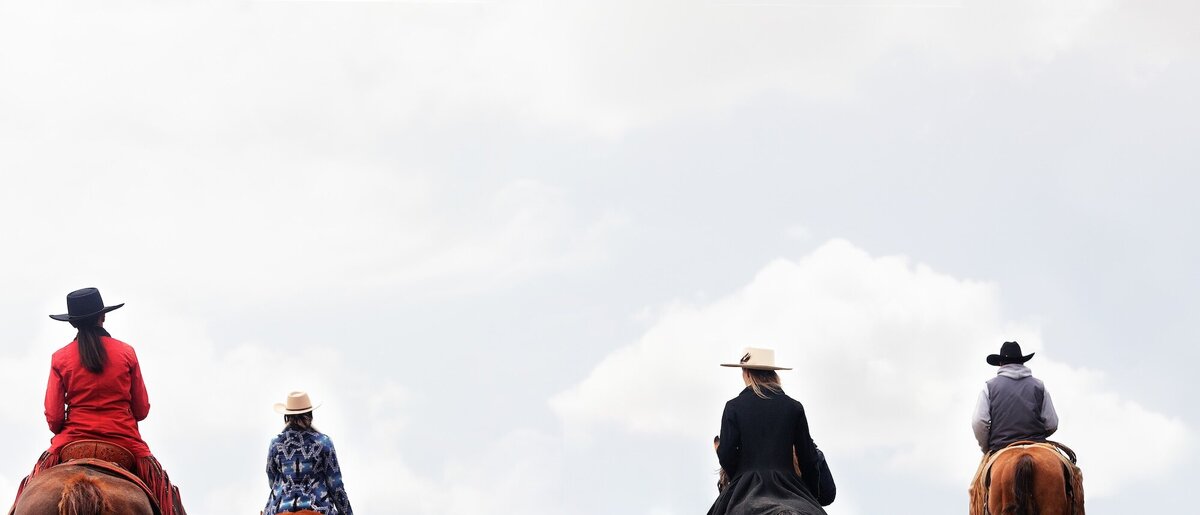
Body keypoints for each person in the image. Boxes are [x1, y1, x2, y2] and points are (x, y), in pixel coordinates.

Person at [11, 287, 186, 514]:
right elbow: (141, 409)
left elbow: (54, 420)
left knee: (24, 493)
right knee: (168, 500)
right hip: (125, 441)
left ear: (73, 323)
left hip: (71, 442)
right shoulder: (126, 353)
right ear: (102, 317)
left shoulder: (60, 358)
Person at [707, 347, 831, 515]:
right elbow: (808, 459)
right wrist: (810, 493)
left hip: (745, 483)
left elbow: (727, 455)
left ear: (746, 373)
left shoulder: (733, 407)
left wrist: (740, 477)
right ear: (773, 373)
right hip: (789, 483)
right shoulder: (794, 407)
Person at [263, 391, 353, 515]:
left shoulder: (276, 444)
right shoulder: (323, 442)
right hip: (316, 510)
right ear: (310, 414)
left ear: (287, 416)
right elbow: (335, 485)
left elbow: (272, 480)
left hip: (280, 511)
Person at [971, 341, 1059, 454]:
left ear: (1001, 363)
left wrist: (986, 447)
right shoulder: (1039, 386)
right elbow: (1052, 424)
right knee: (1068, 465)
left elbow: (978, 422)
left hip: (1000, 447)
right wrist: (1037, 438)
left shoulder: (989, 387)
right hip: (1036, 444)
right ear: (1022, 362)